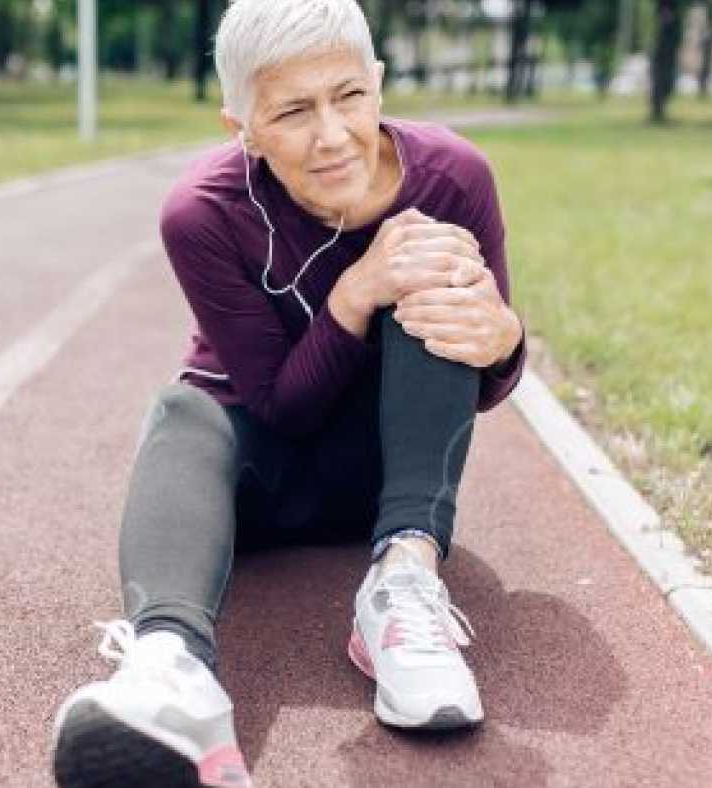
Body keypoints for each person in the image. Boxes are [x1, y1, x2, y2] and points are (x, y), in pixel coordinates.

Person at [49, 1, 526, 785]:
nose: (334, 134)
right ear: (241, 125)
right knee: (181, 409)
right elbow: (280, 409)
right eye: (293, 111)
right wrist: (356, 290)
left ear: (378, 83)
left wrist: (504, 339)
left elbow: (482, 373)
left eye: (349, 97)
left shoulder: (454, 178)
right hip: (255, 487)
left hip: (392, 485)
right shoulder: (201, 213)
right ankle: (170, 672)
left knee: (433, 273)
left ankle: (403, 592)